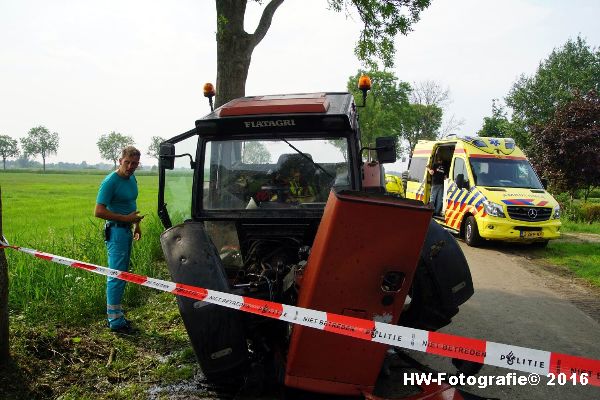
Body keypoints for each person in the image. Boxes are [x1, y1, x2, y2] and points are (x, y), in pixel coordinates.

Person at [94, 146, 144, 333]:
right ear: (119, 160)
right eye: (127, 162)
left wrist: (136, 224)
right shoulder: (110, 182)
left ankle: (117, 315)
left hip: (126, 230)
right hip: (115, 232)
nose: (130, 166)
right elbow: (98, 211)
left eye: (135, 164)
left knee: (122, 274)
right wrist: (126, 220)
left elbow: (130, 204)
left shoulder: (132, 178)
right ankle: (115, 322)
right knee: (116, 276)